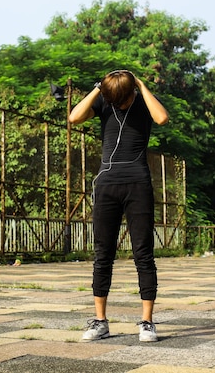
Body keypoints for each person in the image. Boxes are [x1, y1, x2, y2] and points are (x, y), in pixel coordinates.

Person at [68, 70, 169, 342]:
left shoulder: (143, 101)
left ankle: (147, 322)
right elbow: (74, 117)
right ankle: (100, 321)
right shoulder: (106, 101)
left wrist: (142, 86)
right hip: (107, 185)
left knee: (143, 254)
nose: (118, 106)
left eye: (121, 100)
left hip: (138, 184)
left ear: (131, 92)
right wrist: (98, 89)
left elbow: (161, 118)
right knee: (103, 254)